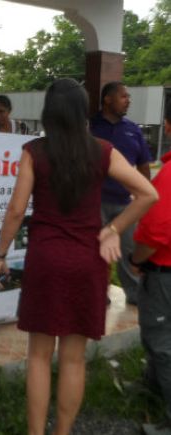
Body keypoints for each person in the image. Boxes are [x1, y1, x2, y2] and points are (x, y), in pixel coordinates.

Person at [0, 78, 157, 435]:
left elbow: (16, 211)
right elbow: (148, 193)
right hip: (87, 262)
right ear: (83, 110)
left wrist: (0, 255)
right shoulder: (103, 150)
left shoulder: (34, 151)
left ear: (49, 112)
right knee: (73, 359)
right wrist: (112, 229)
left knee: (38, 356)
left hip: (46, 261)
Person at [90, 81, 152, 305]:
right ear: (108, 99)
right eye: (124, 96)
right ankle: (98, 295)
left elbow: (143, 165)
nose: (128, 101)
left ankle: (135, 298)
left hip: (126, 204)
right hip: (95, 202)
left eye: (129, 97)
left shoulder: (133, 129)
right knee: (97, 252)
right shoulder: (90, 127)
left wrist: (143, 197)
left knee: (128, 251)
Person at [131, 100, 171, 435]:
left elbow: (157, 232)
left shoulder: (169, 175)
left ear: (168, 126)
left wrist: (136, 259)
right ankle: (153, 387)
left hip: (164, 273)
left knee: (161, 342)